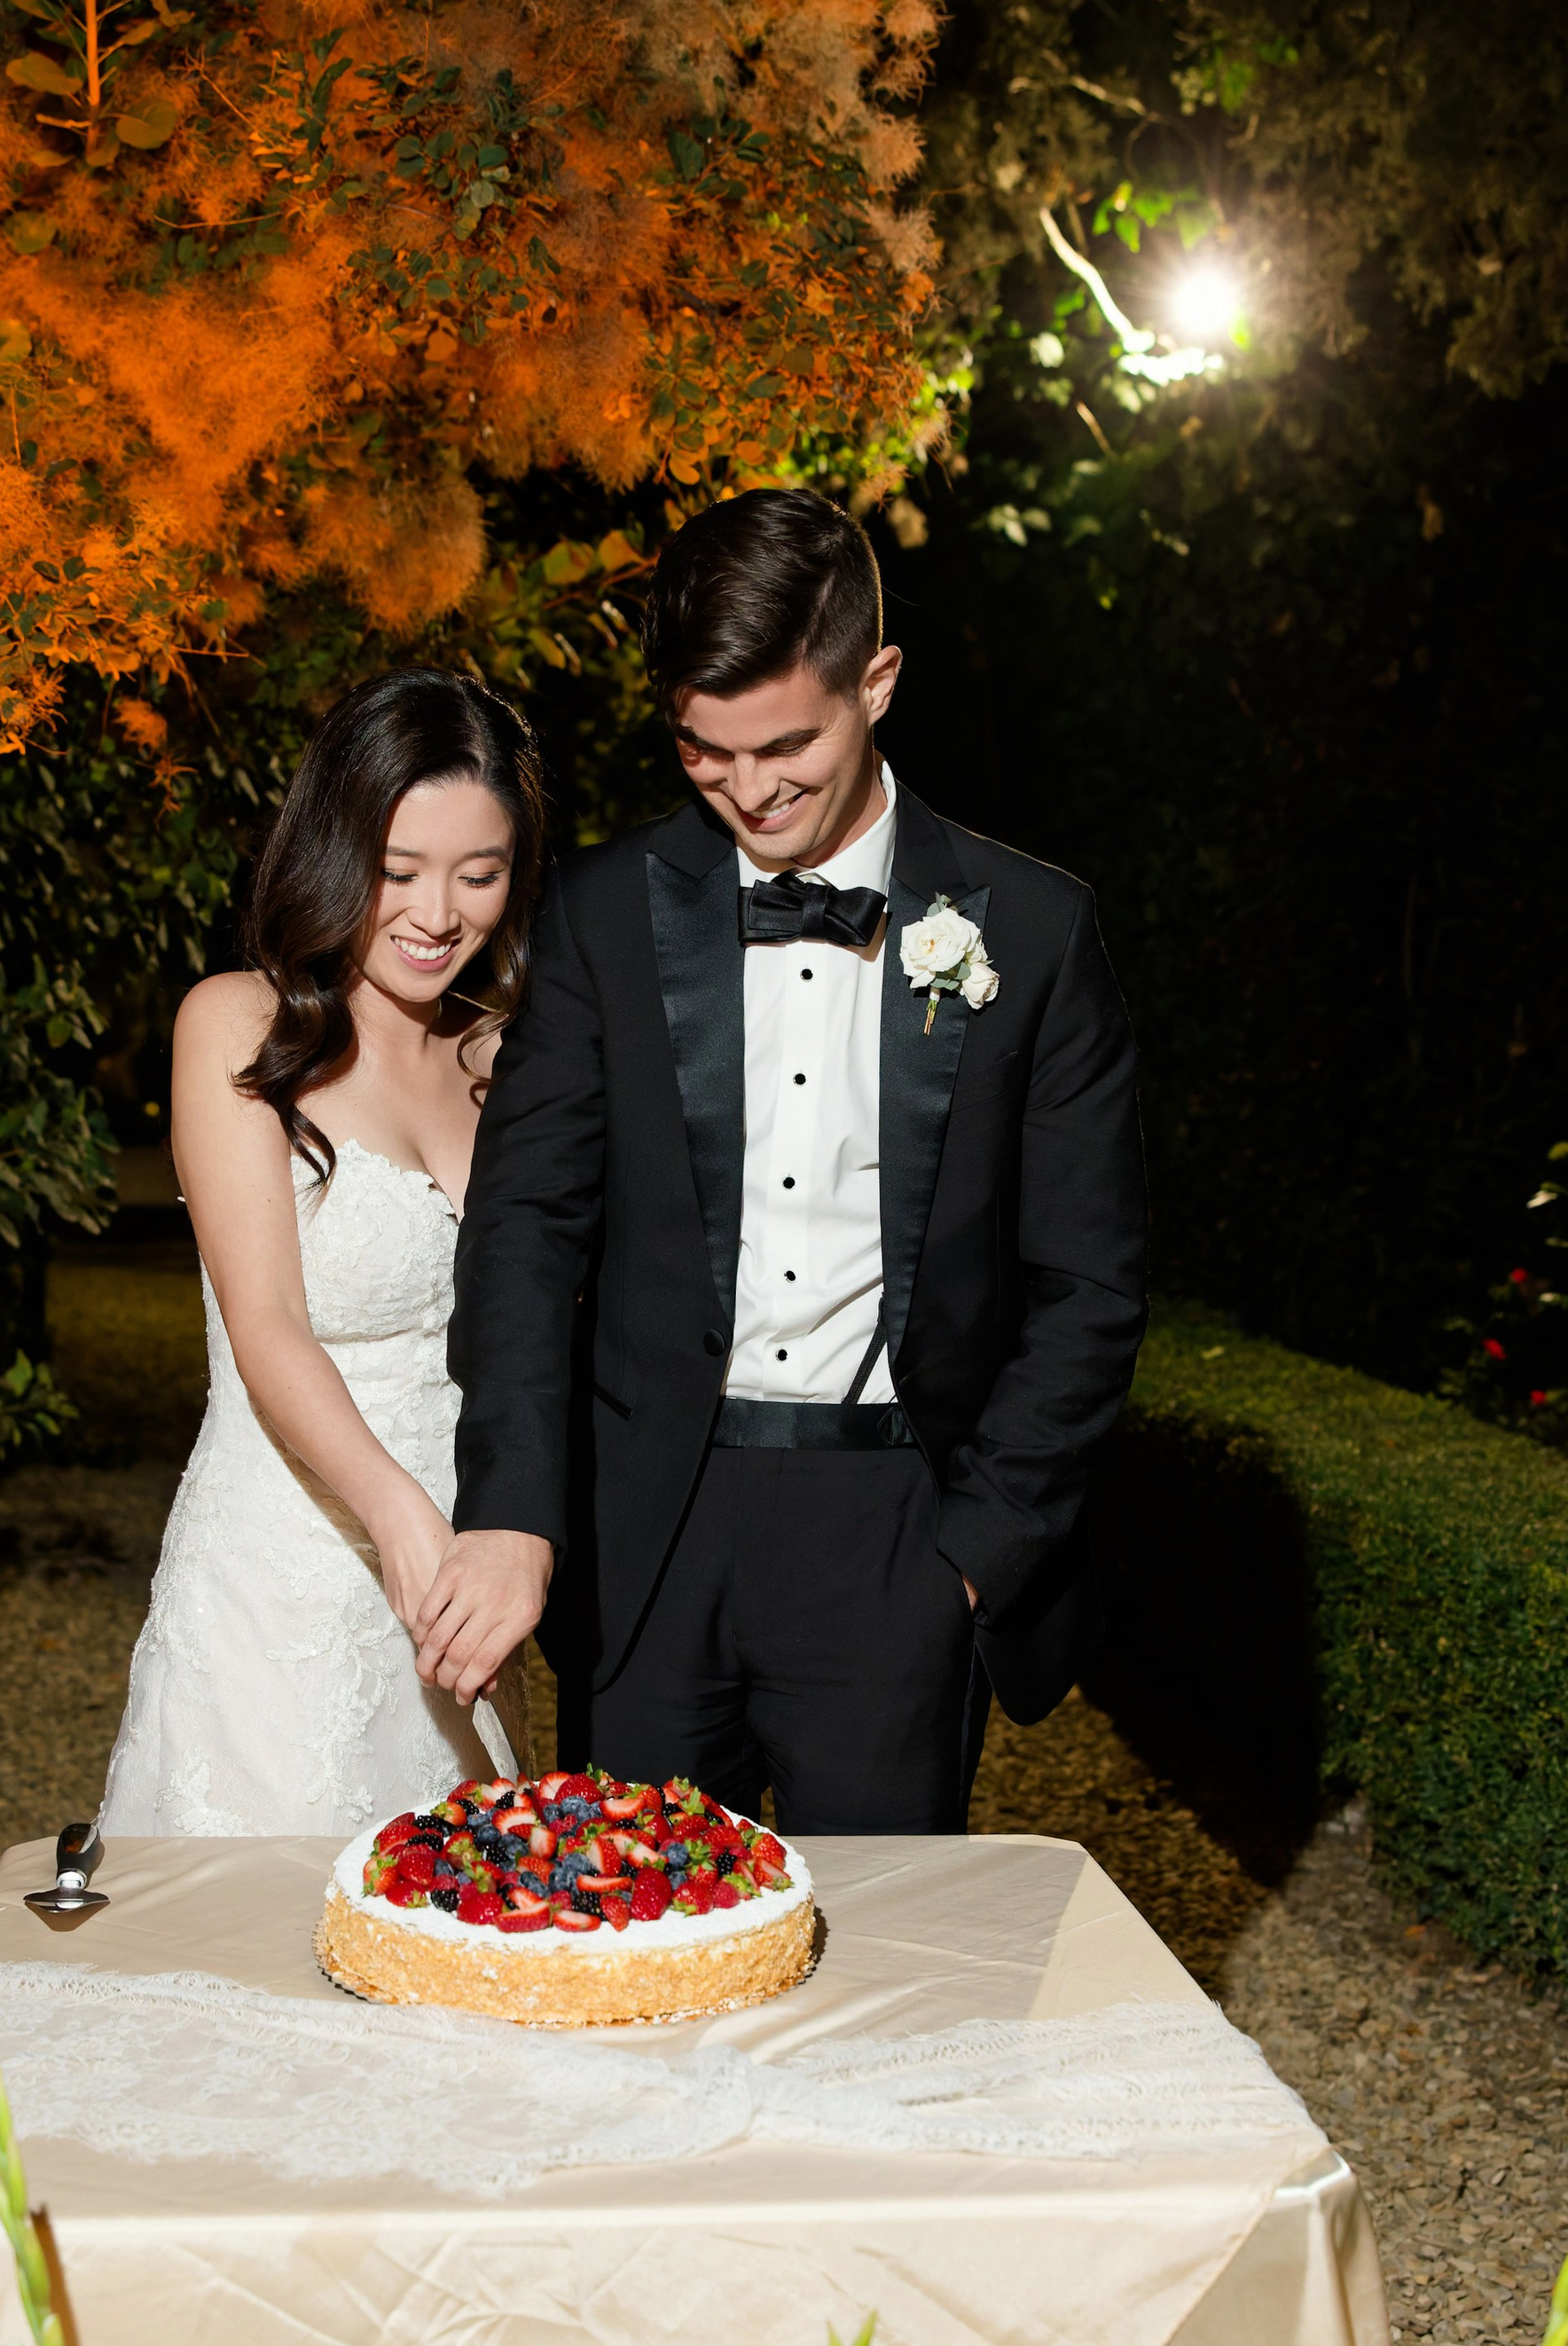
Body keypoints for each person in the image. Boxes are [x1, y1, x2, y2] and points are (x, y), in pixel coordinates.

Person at [415, 486, 1147, 1835]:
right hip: (650, 1527)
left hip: (896, 1532)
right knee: (626, 1952)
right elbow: (524, 1229)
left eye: (787, 746)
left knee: (872, 1981)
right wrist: (514, 1504)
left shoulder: (1036, 936)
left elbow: (1090, 1287)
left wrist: (970, 1561)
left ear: (878, 681)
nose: (749, 792)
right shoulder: (596, 916)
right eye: (705, 752)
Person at [99, 671, 542, 1839]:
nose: (438, 913)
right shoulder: (234, 1023)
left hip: (468, 1577)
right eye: (399, 871)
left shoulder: (507, 1057)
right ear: (336, 851)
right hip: (286, 1574)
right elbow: (267, 1326)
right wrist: (403, 1526)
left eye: (478, 875)